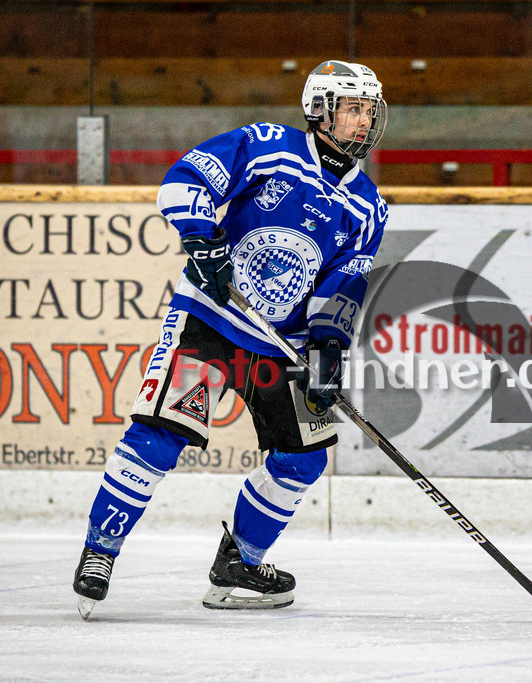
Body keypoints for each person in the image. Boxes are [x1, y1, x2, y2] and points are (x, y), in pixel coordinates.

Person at [72, 60, 388, 617]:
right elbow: (184, 180)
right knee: (161, 433)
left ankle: (240, 561)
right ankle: (101, 548)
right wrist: (202, 239)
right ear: (319, 109)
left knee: (304, 458)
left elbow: (343, 282)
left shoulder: (369, 205)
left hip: (280, 345)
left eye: (370, 110)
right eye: (352, 109)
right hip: (210, 323)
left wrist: (328, 348)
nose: (363, 122)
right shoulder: (267, 146)